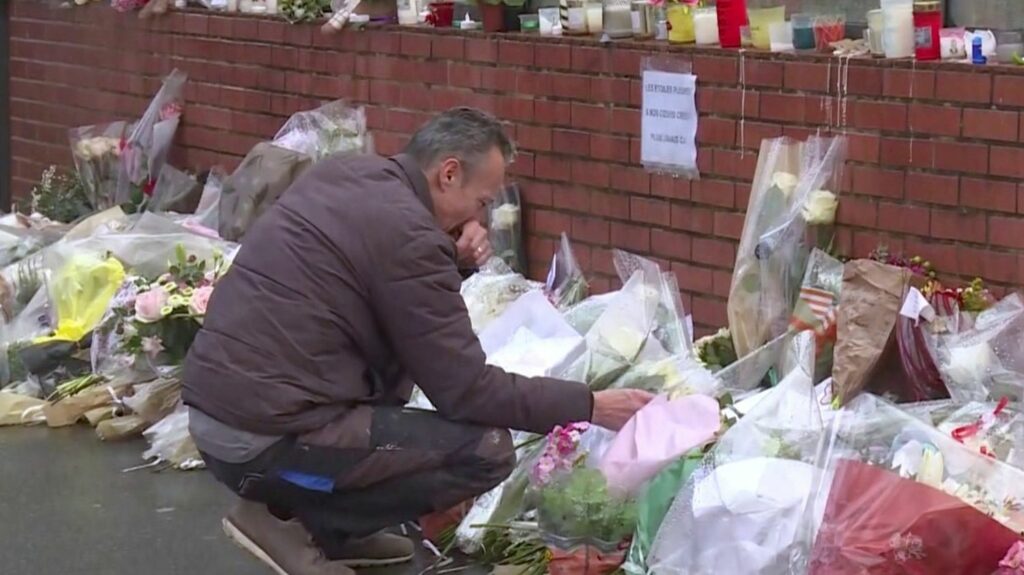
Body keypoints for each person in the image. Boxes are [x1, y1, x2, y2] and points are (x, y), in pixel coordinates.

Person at [182, 107, 654, 575]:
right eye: (483, 200)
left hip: (215, 414)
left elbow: (378, 278)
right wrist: (591, 405)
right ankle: (292, 523)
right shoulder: (411, 235)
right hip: (262, 439)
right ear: (448, 174)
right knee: (485, 450)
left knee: (401, 417)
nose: (482, 215)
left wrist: (451, 256)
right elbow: (467, 391)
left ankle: (336, 532)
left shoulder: (349, 174)